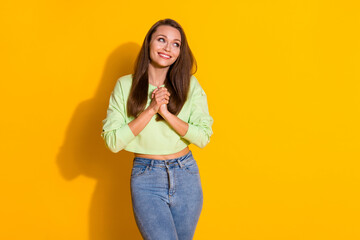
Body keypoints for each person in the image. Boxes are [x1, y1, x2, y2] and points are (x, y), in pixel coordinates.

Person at [101, 18, 213, 240]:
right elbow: (113, 142)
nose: (167, 48)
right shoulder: (126, 85)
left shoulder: (189, 85)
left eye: (175, 44)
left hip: (186, 174)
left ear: (180, 52)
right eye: (161, 40)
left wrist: (167, 114)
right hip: (146, 177)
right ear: (149, 44)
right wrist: (151, 110)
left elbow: (203, 138)